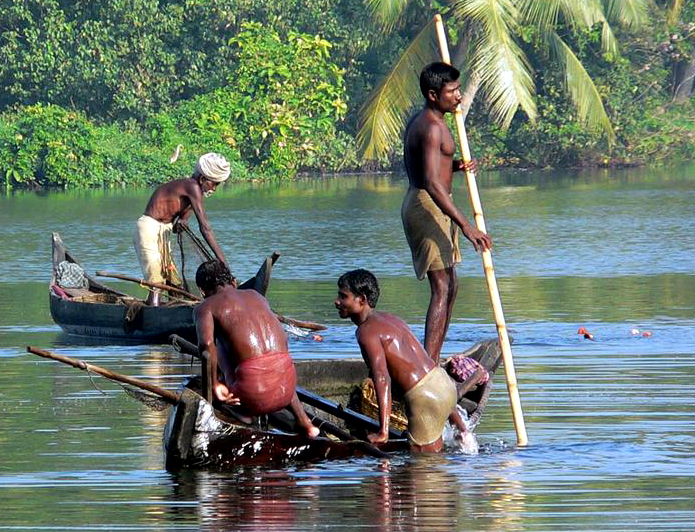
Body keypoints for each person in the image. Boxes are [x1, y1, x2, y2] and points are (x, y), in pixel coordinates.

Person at [402, 62, 492, 364]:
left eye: (457, 89)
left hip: (435, 203)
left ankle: (433, 357)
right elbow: (429, 181)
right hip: (427, 205)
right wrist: (466, 226)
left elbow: (433, 168)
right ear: (432, 94)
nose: (458, 97)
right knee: (441, 285)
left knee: (452, 285)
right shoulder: (429, 126)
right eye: (451, 91)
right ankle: (427, 363)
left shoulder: (434, 121)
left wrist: (455, 166)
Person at [335, 269, 471, 452]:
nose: (337, 302)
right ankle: (464, 433)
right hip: (443, 384)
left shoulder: (366, 332)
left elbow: (382, 378)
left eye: (343, 297)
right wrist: (456, 420)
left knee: (423, 468)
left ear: (362, 299)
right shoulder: (391, 319)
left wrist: (383, 431)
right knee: (440, 462)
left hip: (425, 397)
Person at [194, 259, 319, 439]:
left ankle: (243, 412)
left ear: (203, 291)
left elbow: (206, 346)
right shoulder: (256, 296)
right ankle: (305, 422)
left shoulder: (206, 307)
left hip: (254, 395)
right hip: (287, 385)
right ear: (233, 282)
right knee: (274, 357)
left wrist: (213, 385)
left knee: (218, 345)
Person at [133, 152, 230, 306]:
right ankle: (154, 310)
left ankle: (172, 309)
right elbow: (205, 228)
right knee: (156, 282)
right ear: (203, 179)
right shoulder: (192, 186)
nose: (215, 188)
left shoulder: (195, 193)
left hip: (164, 231)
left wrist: (182, 222)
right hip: (149, 228)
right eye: (215, 183)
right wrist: (223, 261)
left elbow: (178, 225)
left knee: (173, 282)